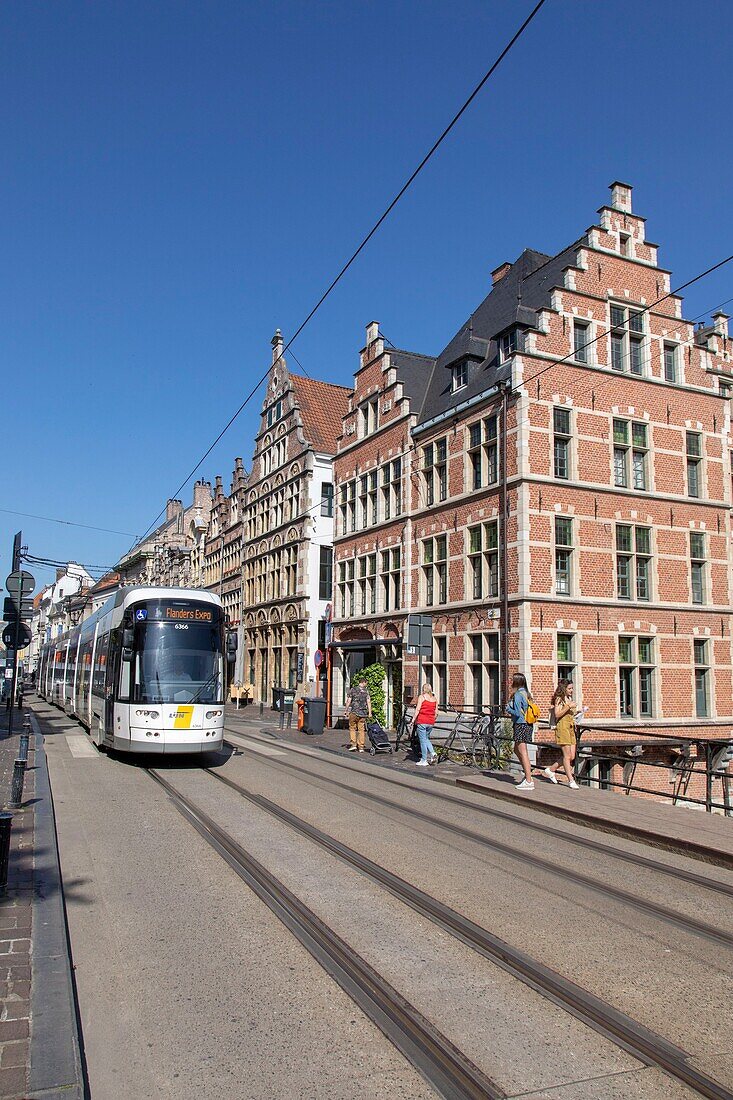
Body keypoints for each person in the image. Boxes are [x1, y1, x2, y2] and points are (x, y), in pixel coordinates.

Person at [544, 679, 580, 788]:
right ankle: (571, 780)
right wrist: (568, 706)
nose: (571, 690)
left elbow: (569, 714)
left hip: (570, 728)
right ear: (564, 688)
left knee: (572, 756)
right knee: (567, 755)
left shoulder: (569, 698)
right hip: (563, 728)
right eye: (569, 688)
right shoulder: (559, 699)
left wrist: (578, 713)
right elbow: (557, 714)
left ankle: (551, 769)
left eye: (572, 688)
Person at [507, 672, 535, 790]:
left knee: (523, 752)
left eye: (512, 680)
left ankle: (528, 780)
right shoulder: (526, 693)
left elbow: (517, 713)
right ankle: (527, 774)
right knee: (516, 749)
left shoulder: (518, 694)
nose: (510, 682)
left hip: (521, 724)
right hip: (527, 724)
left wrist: (508, 709)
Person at [412, 683, 438, 767]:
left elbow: (418, 709)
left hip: (422, 721)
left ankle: (424, 760)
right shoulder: (434, 699)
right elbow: (436, 712)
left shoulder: (422, 697)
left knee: (422, 741)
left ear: (424, 689)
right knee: (426, 739)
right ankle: (433, 753)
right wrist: (433, 719)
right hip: (431, 722)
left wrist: (413, 720)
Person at [345, 677, 372, 753]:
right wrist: (369, 713)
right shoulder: (366, 691)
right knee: (361, 730)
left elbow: (349, 700)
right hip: (363, 713)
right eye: (366, 683)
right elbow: (368, 702)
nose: (366, 685)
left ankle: (353, 745)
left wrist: (346, 710)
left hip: (354, 712)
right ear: (363, 682)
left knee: (352, 728)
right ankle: (361, 747)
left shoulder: (353, 690)